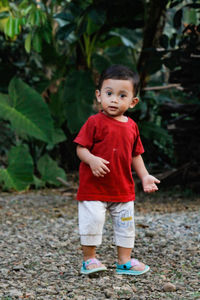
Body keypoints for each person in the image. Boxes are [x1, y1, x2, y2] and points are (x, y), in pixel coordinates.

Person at [74, 64, 160, 275]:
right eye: (109, 93)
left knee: (126, 226)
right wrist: (92, 160)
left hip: (122, 189)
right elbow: (80, 148)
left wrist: (145, 176)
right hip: (93, 189)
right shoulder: (94, 122)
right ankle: (90, 259)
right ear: (98, 95)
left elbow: (135, 154)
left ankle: (124, 261)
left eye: (122, 95)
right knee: (92, 222)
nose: (114, 99)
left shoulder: (131, 126)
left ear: (133, 102)